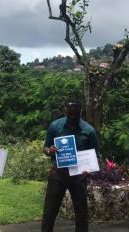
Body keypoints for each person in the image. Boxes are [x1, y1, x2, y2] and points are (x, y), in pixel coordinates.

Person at [41, 99, 99, 232]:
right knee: (50, 210)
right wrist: (49, 150)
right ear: (64, 111)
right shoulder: (55, 126)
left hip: (78, 175)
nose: (73, 118)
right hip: (58, 174)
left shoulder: (89, 130)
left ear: (80, 112)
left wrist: (90, 170)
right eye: (70, 115)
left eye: (76, 115)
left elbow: (96, 154)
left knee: (81, 212)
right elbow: (45, 147)